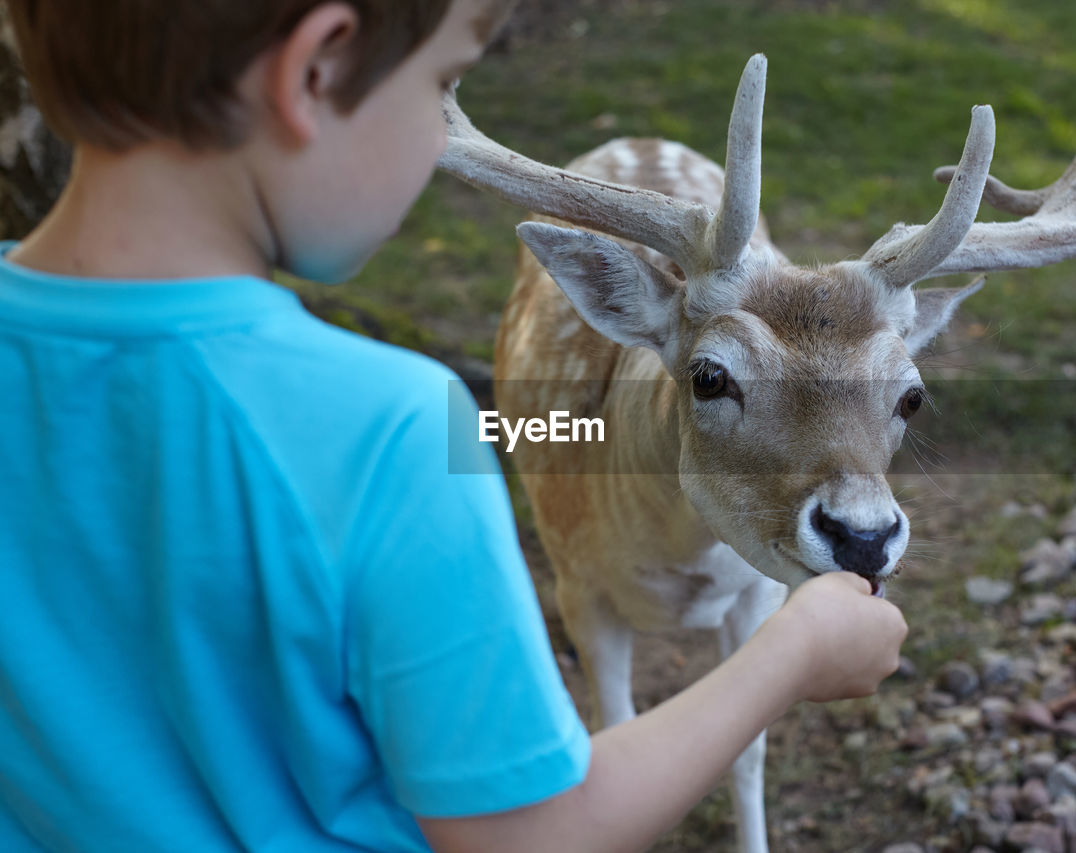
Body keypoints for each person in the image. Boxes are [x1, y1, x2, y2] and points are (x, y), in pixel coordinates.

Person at [0, 0, 909, 850]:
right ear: (316, 70)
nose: (448, 136)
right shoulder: (389, 437)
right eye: (443, 88)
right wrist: (793, 654)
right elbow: (530, 829)